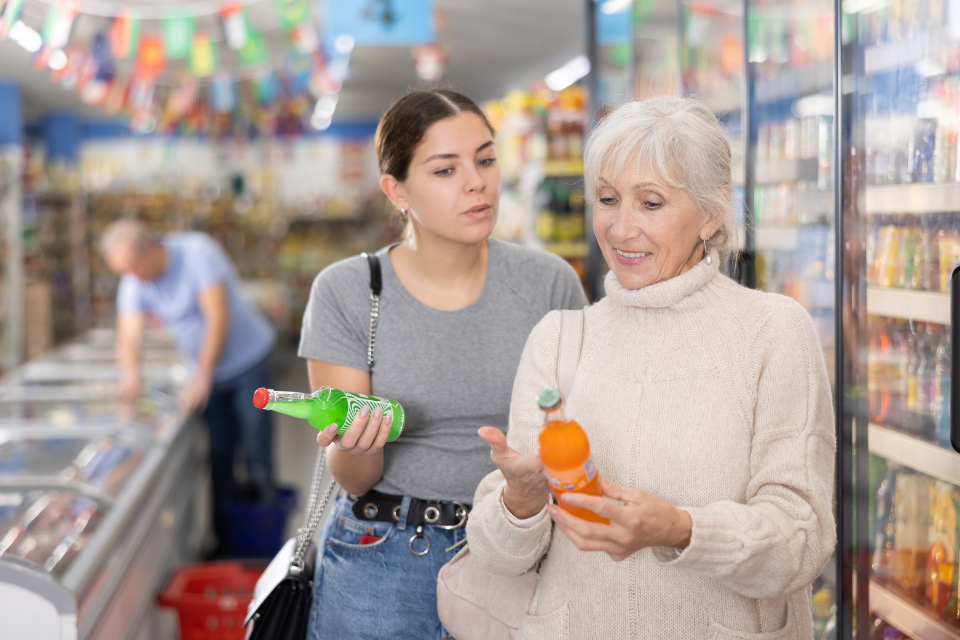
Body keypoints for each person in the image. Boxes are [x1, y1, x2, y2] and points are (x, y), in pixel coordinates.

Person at [468, 96, 837, 639]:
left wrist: (682, 530)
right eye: (608, 199)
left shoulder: (773, 332)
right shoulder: (560, 339)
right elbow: (496, 557)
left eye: (651, 203)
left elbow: (802, 539)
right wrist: (519, 502)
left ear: (711, 214)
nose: (621, 229)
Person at [299, 88, 588, 640]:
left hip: (514, 549)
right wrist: (360, 444)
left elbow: (579, 428)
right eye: (445, 169)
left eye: (485, 159)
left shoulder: (549, 283)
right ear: (397, 190)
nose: (476, 182)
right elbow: (353, 478)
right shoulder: (347, 291)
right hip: (380, 557)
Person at [101, 220, 277, 550]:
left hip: (248, 365)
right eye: (124, 271)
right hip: (208, 375)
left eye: (134, 266)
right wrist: (130, 374)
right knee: (219, 454)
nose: (132, 276)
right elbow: (130, 334)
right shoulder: (135, 280)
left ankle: (263, 542)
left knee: (256, 449)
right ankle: (225, 545)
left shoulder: (198, 252)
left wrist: (202, 375)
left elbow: (218, 317)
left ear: (150, 249)